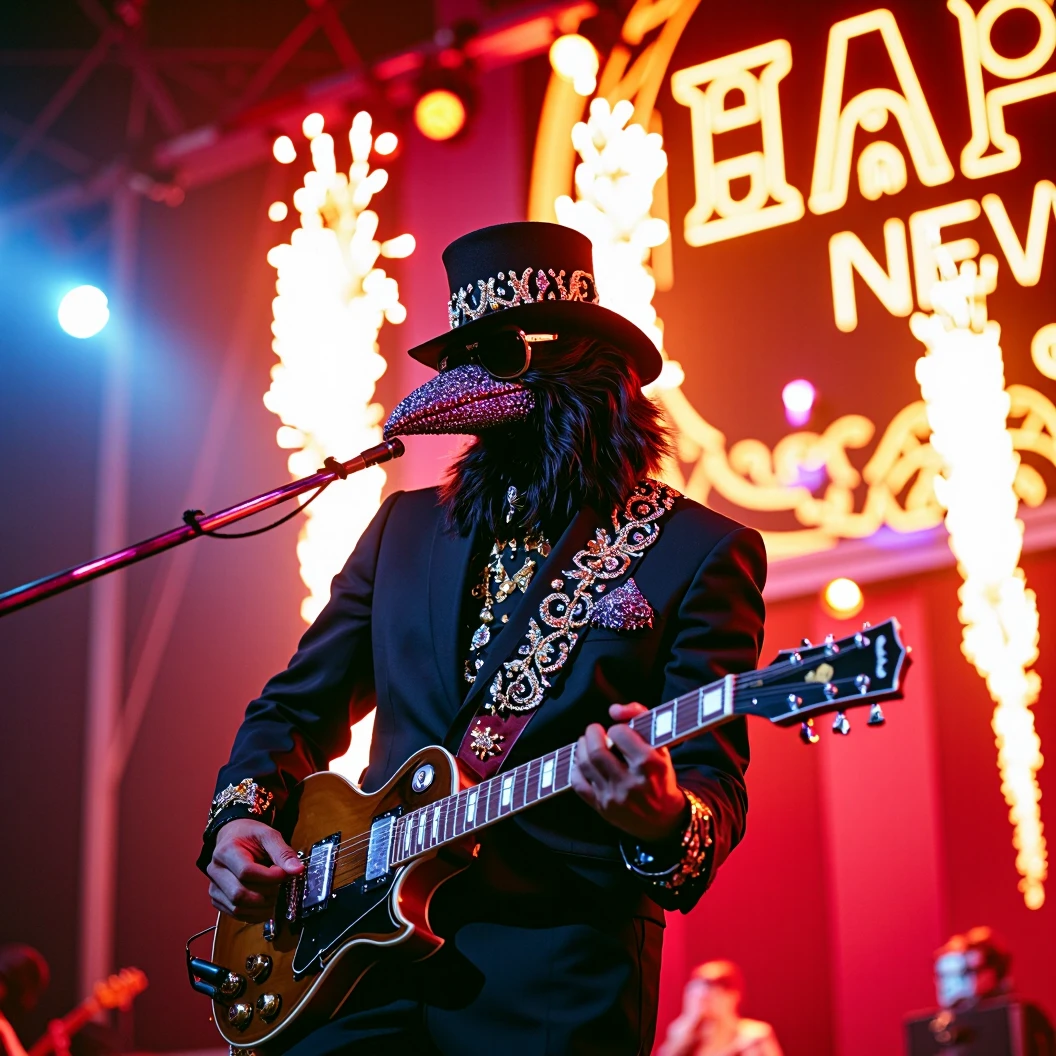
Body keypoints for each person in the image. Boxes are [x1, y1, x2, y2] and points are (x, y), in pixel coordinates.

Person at [199, 221, 767, 1054]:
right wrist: (238, 821)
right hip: (350, 958)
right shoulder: (402, 529)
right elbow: (293, 708)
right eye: (460, 358)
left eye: (496, 354)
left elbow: (712, 786)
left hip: (550, 975)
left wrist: (660, 815)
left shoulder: (698, 551)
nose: (466, 384)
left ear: (582, 360)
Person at [658, 961, 783, 1056]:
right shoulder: (684, 1034)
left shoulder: (754, 1036)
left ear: (734, 995)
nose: (706, 1000)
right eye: (699, 996)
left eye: (715, 992)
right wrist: (690, 1021)